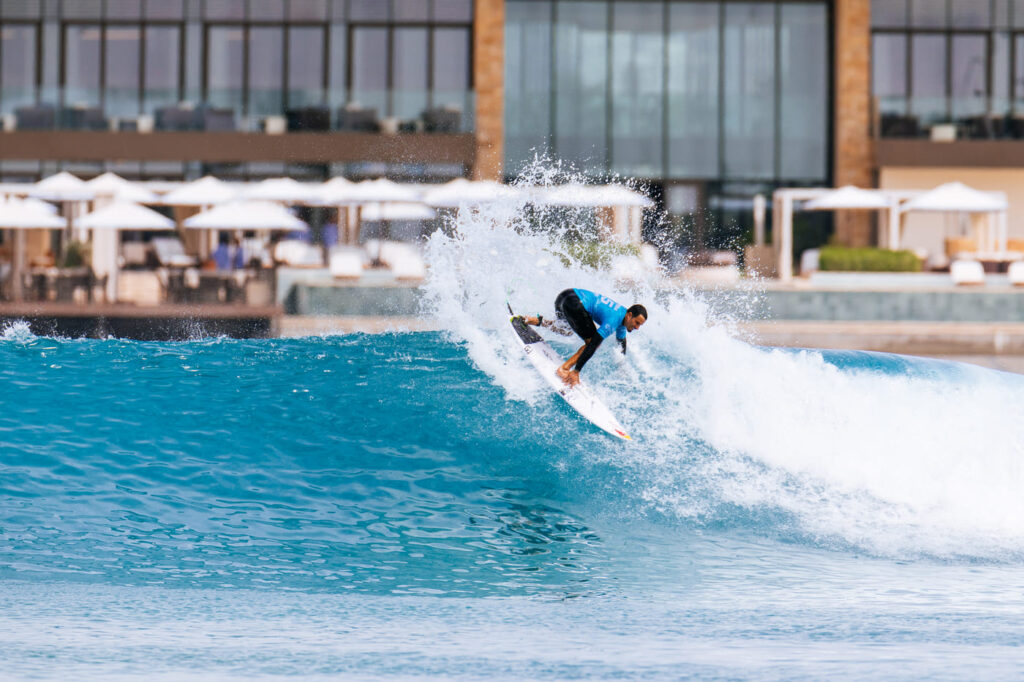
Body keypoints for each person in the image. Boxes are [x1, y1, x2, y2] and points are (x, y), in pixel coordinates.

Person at [522, 288, 647, 387]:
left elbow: (621, 342)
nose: (637, 328)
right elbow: (593, 344)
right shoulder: (614, 320)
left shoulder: (622, 318)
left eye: (640, 325)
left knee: (567, 330)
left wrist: (621, 364)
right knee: (592, 342)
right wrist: (576, 371)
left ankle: (537, 321)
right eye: (637, 323)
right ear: (629, 316)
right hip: (575, 304)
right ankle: (564, 369)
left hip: (565, 296)